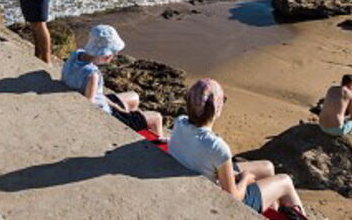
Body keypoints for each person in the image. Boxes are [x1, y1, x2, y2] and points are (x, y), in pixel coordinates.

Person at [169, 78, 308, 219]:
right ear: (217, 107)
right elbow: (233, 197)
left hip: (199, 173)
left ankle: (270, 212)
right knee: (285, 181)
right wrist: (246, 179)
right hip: (219, 201)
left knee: (267, 167)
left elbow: (201, 158)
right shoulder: (216, 147)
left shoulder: (180, 122)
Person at [61, 25, 165, 138]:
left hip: (101, 101)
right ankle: (159, 144)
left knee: (134, 96)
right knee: (157, 117)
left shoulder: (75, 55)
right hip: (105, 114)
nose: (114, 56)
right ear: (106, 55)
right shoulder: (92, 75)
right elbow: (89, 107)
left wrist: (117, 106)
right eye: (113, 54)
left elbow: (96, 94)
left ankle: (134, 126)